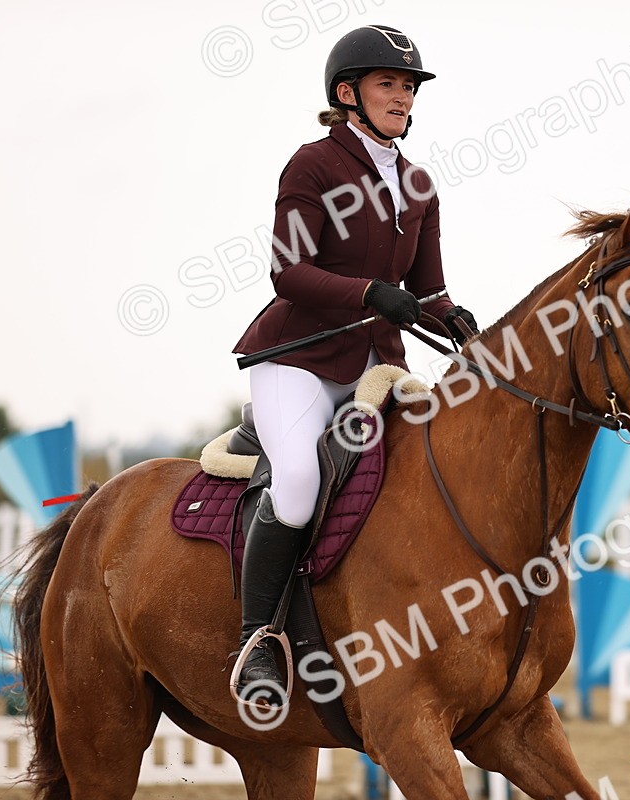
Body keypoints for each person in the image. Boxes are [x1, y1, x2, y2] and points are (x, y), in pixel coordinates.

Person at [230, 24, 478, 696]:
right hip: (301, 361)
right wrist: (369, 293)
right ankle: (257, 640)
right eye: (388, 85)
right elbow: (289, 270)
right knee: (302, 480)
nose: (402, 97)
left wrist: (453, 319)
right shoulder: (313, 164)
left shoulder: (419, 183)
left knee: (429, 470)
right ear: (348, 94)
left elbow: (426, 291)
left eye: (407, 87)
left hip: (378, 370)